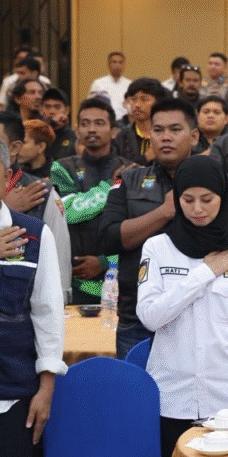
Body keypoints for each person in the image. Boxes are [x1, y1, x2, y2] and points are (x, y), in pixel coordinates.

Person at [137, 155, 228, 457]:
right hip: (171, 397)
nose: (198, 209)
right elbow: (150, 317)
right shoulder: (157, 248)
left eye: (207, 199)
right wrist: (204, 273)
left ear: (223, 197)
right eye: (188, 199)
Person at [0, 137, 66, 457]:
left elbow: (48, 312)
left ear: (7, 177)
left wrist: (46, 386)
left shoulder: (34, 234)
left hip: (15, 395)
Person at [99, 98, 199, 358]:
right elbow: (108, 238)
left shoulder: (211, 183)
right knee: (136, 386)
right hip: (137, 319)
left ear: (194, 136)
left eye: (175, 129)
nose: (166, 137)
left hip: (197, 317)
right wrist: (163, 213)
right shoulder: (128, 180)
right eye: (158, 130)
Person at [50, 99, 134, 305]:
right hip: (76, 282)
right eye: (85, 124)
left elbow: (135, 228)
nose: (92, 129)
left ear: (114, 131)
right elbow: (69, 212)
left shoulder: (132, 170)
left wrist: (105, 262)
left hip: (120, 280)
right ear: (77, 131)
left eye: (99, 123)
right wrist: (112, 185)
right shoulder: (62, 168)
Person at [0, 113, 72, 302]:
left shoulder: (42, 193)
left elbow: (59, 258)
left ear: (14, 148)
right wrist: (6, 208)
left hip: (23, 309)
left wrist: (61, 300)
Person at [112, 78, 169, 165]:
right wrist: (145, 158)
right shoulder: (121, 137)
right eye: (133, 99)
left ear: (158, 102)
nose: (137, 105)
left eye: (144, 99)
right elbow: (115, 168)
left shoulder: (168, 134)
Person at [88, 51, 131, 119]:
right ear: (109, 64)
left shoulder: (130, 84)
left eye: (120, 62)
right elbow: (91, 105)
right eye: (114, 62)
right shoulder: (98, 83)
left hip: (125, 122)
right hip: (104, 120)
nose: (117, 65)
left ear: (124, 65)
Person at [39, 88, 76, 161]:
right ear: (40, 109)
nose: (52, 111)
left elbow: (61, 162)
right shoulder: (37, 135)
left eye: (57, 107)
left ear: (67, 110)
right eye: (47, 107)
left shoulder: (72, 137)